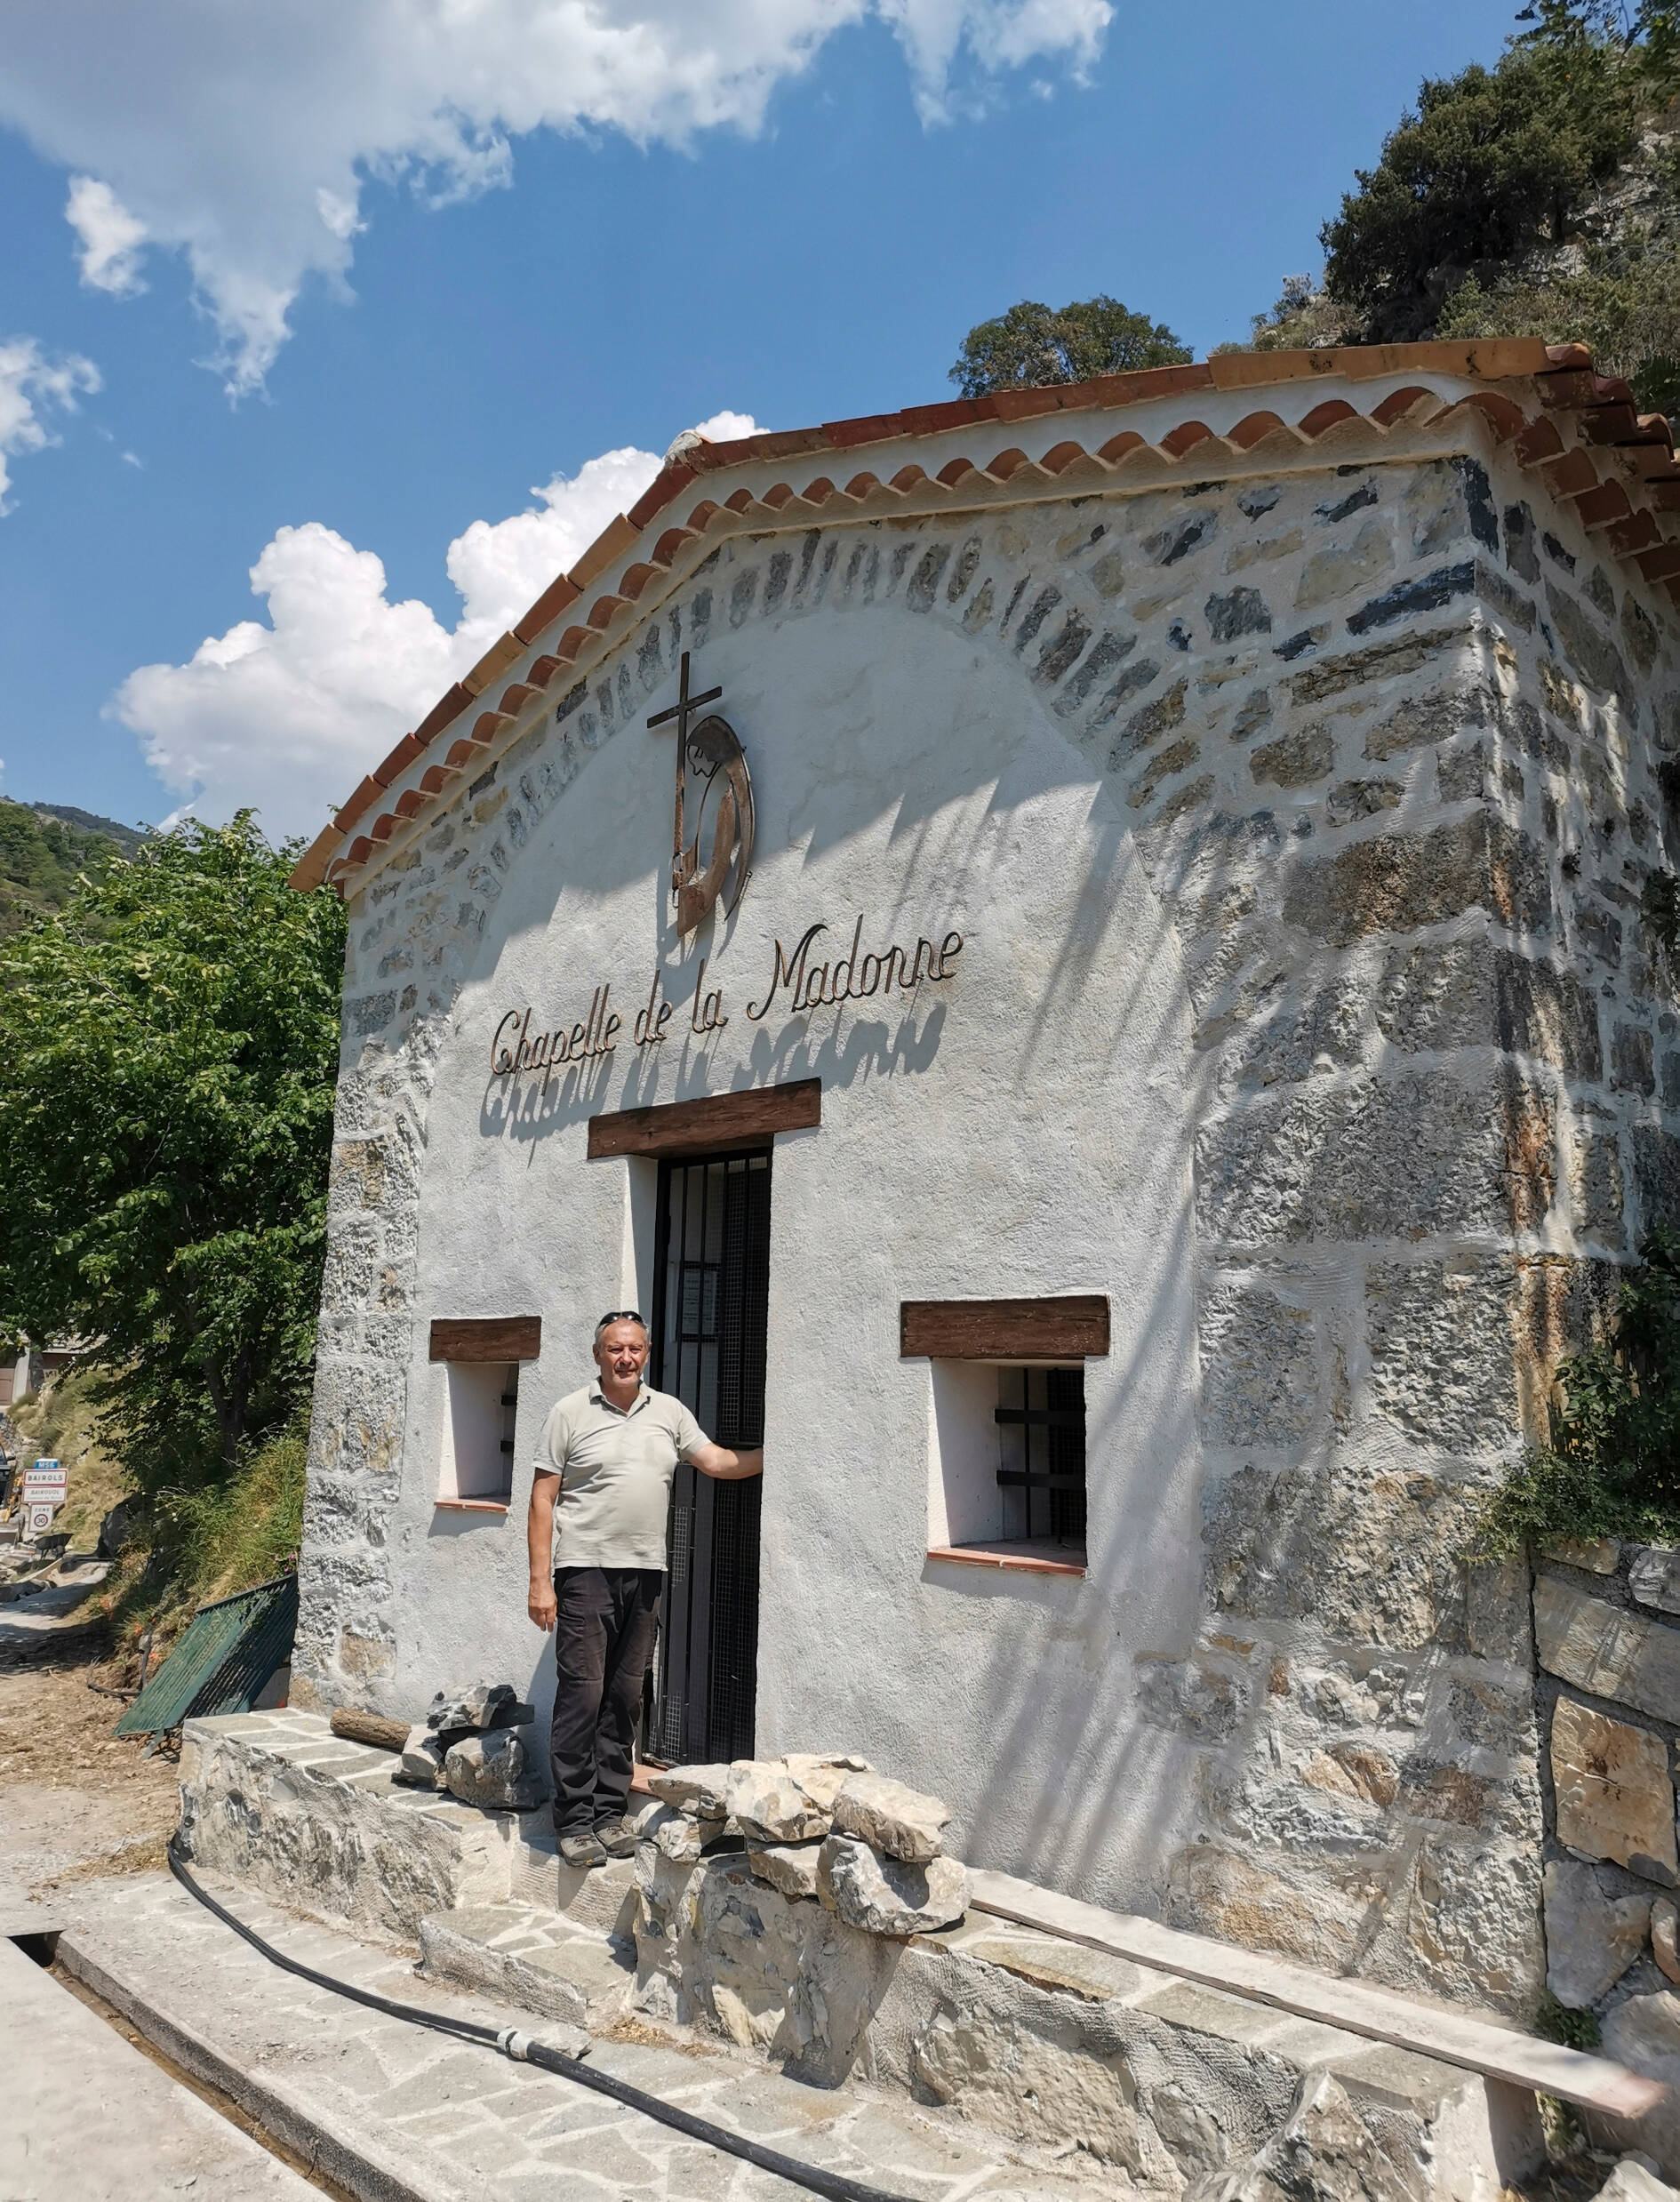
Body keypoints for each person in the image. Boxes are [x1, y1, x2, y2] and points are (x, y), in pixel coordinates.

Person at [527, 1310, 763, 1867]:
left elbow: (716, 1462)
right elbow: (542, 1499)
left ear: (648, 1353)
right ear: (597, 1355)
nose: (625, 1358)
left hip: (646, 1572)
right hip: (584, 1572)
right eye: (614, 1349)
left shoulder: (669, 1412)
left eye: (633, 1348)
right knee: (581, 1695)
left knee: (623, 1695)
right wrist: (541, 1582)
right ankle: (575, 1819)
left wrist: (779, 1457)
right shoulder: (569, 1412)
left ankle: (610, 1813)